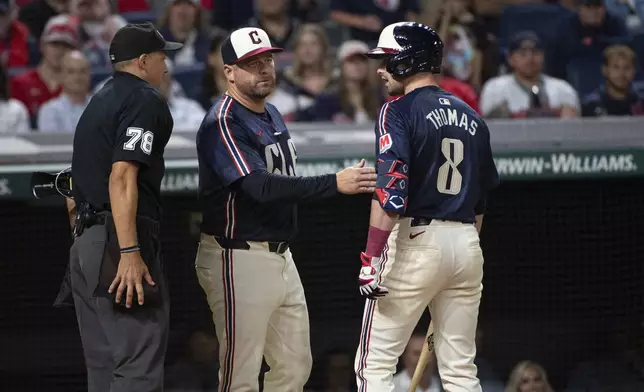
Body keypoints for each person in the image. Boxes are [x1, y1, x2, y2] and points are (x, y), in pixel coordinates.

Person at [194, 26, 377, 392]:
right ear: (228, 71)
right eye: (251, 63)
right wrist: (333, 183)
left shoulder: (272, 112)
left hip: (280, 255)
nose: (264, 69)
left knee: (295, 367)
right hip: (237, 256)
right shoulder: (223, 120)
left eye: (268, 60)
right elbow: (258, 187)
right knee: (240, 375)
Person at [354, 22, 499, 392]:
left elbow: (391, 193)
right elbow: (481, 200)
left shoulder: (396, 110)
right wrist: (456, 257)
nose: (380, 70)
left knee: (373, 365)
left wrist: (371, 258)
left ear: (407, 60)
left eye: (387, 60)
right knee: (461, 371)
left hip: (417, 242)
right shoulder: (473, 117)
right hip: (467, 243)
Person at [66, 22, 182, 392]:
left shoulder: (98, 101)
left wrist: (87, 245)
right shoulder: (143, 99)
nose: (166, 67)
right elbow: (122, 176)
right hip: (120, 242)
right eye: (163, 57)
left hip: (87, 243)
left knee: (105, 366)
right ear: (144, 60)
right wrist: (129, 250)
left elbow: (70, 184)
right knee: (138, 362)